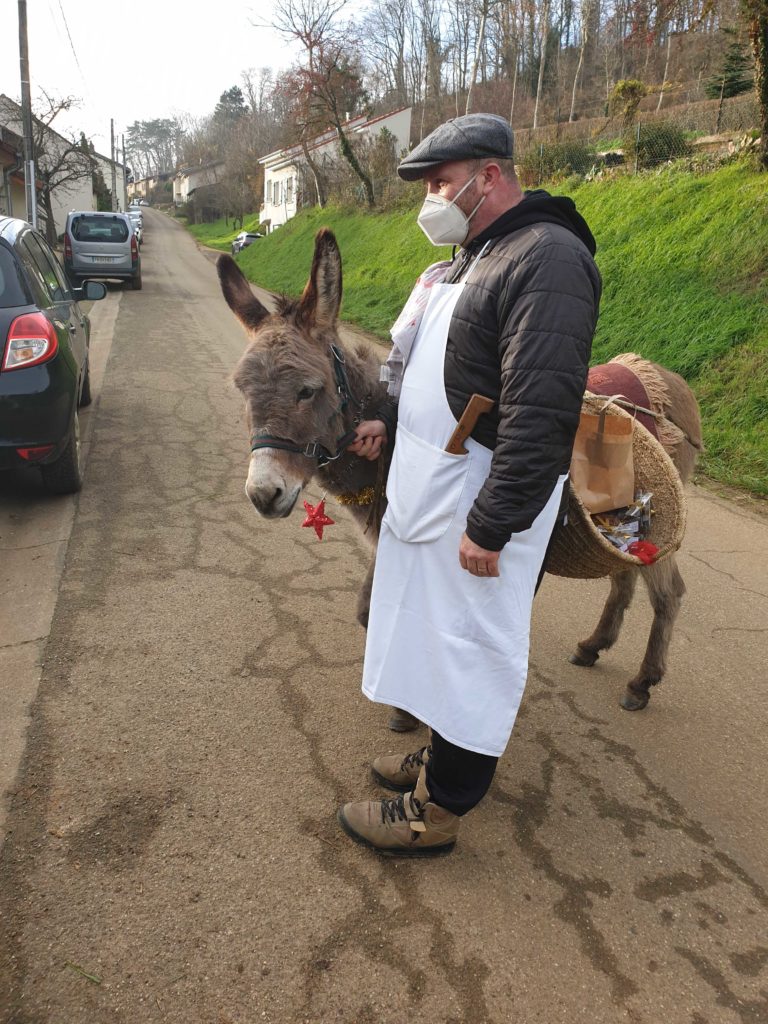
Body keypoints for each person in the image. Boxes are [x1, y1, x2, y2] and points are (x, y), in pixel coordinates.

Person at [338, 113, 602, 856]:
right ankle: (439, 756)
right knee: (434, 631)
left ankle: (439, 809)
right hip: (437, 486)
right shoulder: (472, 256)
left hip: (479, 497)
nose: (432, 199)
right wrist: (389, 421)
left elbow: (541, 409)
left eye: (441, 182)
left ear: (490, 176)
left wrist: (494, 522)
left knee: (470, 645)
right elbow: (442, 369)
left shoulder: (546, 257)